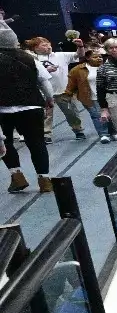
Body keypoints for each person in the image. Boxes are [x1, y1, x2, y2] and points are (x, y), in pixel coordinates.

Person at [0, 26, 52, 195]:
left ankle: (17, 176)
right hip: (32, 106)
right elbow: (44, 81)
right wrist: (49, 99)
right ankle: (45, 180)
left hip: (3, 109)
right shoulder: (29, 58)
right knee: (37, 142)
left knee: (6, 142)